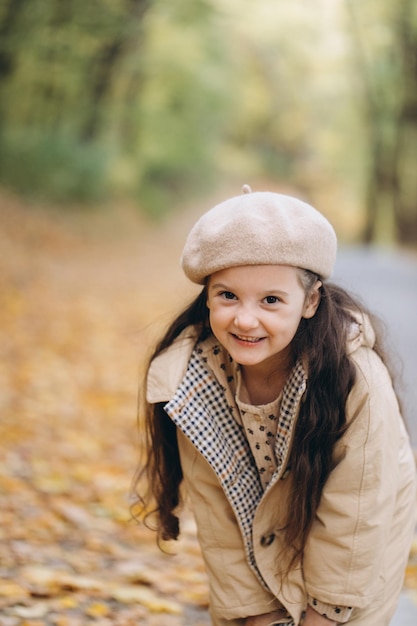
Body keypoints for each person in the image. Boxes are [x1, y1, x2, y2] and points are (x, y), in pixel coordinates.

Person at [133, 185, 417, 626]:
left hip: (361, 531)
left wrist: (325, 613)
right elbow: (218, 520)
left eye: (270, 300)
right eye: (228, 295)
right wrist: (255, 614)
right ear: (206, 294)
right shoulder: (191, 384)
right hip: (254, 533)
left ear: (310, 301)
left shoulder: (353, 380)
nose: (245, 319)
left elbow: (358, 510)